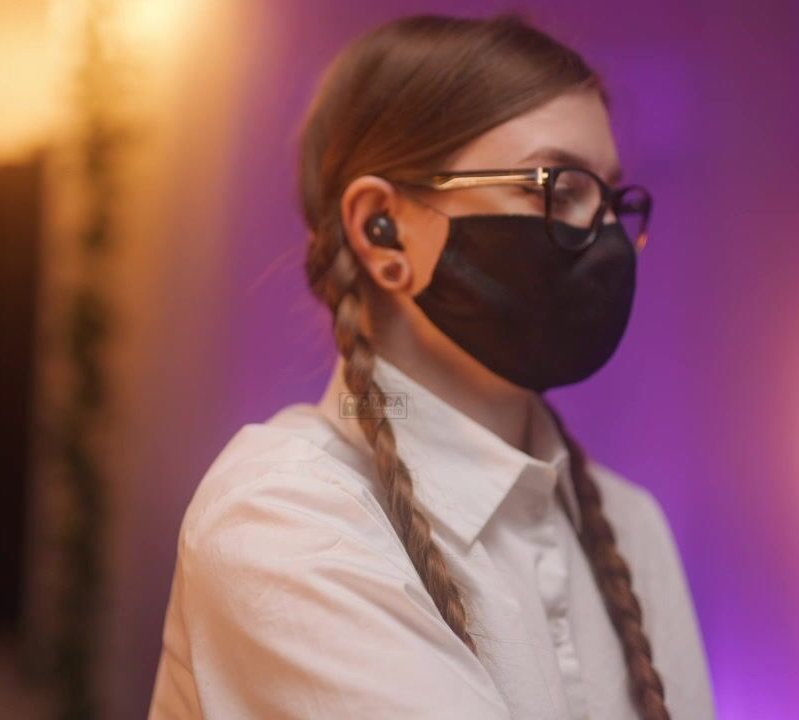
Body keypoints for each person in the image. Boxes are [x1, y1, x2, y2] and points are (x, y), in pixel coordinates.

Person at [150, 13, 714, 720]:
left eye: (610, 200)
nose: (603, 237)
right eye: (559, 187)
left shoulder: (631, 526)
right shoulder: (285, 515)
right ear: (383, 231)